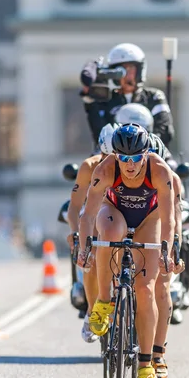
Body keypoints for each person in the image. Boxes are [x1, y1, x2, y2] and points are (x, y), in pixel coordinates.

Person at [76, 124, 183, 378]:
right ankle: (103, 302)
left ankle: (146, 366)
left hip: (149, 218)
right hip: (114, 211)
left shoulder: (160, 171)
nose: (130, 165)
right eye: (123, 158)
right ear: (116, 156)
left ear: (146, 154)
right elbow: (87, 215)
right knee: (107, 235)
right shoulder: (105, 170)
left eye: (136, 158)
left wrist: (169, 251)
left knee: (145, 289)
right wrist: (83, 247)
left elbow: (170, 219)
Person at [67, 123, 118, 343]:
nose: (110, 160)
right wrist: (75, 235)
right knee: (91, 259)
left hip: (119, 219)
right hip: (93, 220)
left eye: (114, 155)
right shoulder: (90, 167)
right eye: (105, 154)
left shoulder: (129, 165)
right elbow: (75, 207)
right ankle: (91, 310)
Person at [80, 43, 174, 148]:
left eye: (131, 68)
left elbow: (165, 131)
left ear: (139, 70)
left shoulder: (154, 97)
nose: (127, 74)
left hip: (150, 154)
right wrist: (90, 94)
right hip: (114, 156)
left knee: (172, 164)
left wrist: (142, 146)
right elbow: (99, 134)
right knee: (89, 164)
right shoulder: (106, 101)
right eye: (121, 70)